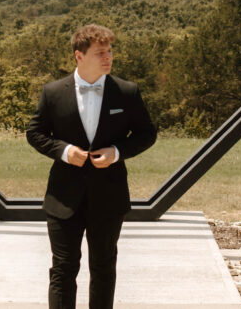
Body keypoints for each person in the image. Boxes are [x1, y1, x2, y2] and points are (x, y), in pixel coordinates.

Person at [26, 24, 157, 309]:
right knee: (62, 269)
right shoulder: (52, 93)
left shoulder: (127, 92)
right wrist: (63, 151)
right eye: (100, 52)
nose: (108, 57)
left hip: (109, 197)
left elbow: (148, 134)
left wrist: (117, 152)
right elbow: (34, 133)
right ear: (79, 56)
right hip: (63, 198)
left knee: (103, 269)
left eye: (109, 51)